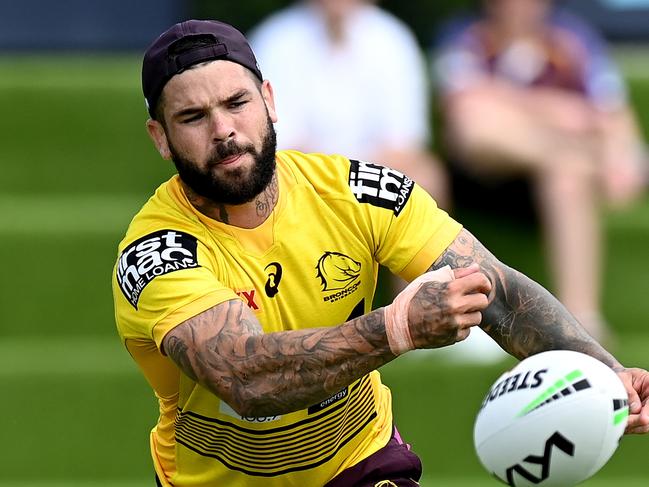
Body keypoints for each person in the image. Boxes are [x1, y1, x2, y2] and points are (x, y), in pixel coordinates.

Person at [111, 19, 649, 487]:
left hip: (357, 463)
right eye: (193, 118)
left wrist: (607, 374)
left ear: (269, 100)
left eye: (237, 103)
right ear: (160, 137)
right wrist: (397, 328)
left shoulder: (356, 191)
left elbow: (499, 293)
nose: (224, 130)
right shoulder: (156, 252)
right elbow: (248, 381)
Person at [431, 0, 648, 344]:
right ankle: (573, 156)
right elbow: (463, 110)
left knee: (567, 176)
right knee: (476, 122)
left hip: (550, 185)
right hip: (480, 177)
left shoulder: (574, 40)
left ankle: (582, 321)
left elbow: (610, 113)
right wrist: (558, 111)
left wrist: (624, 155)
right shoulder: (465, 36)